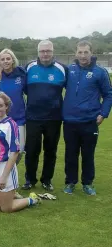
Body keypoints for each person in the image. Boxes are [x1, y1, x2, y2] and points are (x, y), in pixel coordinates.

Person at [62, 40, 112, 195]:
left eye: (86, 52)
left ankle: (87, 183)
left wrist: (103, 113)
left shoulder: (100, 72)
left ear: (91, 53)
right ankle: (70, 182)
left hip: (89, 121)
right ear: (75, 53)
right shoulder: (69, 70)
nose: (83, 55)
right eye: (80, 52)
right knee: (70, 154)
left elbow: (108, 94)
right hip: (70, 121)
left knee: (88, 154)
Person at [0, 92, 41, 213]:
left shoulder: (11, 124)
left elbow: (15, 153)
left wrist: (4, 176)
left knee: (6, 208)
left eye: (0, 106)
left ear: (6, 107)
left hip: (4, 167)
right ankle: (10, 195)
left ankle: (31, 199)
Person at [23, 40, 67, 191]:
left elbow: (73, 90)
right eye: (42, 51)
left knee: (50, 150)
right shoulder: (29, 67)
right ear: (38, 52)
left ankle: (47, 180)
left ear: (53, 51)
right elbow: (22, 89)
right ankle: (30, 179)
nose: (45, 54)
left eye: (48, 51)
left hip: (54, 118)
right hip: (33, 117)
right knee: (32, 150)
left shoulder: (62, 69)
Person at [0, 49, 27, 165]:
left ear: (13, 60)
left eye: (8, 58)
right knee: (2, 151)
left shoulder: (21, 74)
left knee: (18, 151)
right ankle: (2, 178)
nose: (5, 61)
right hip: (1, 121)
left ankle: (10, 177)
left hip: (18, 119)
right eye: (2, 59)